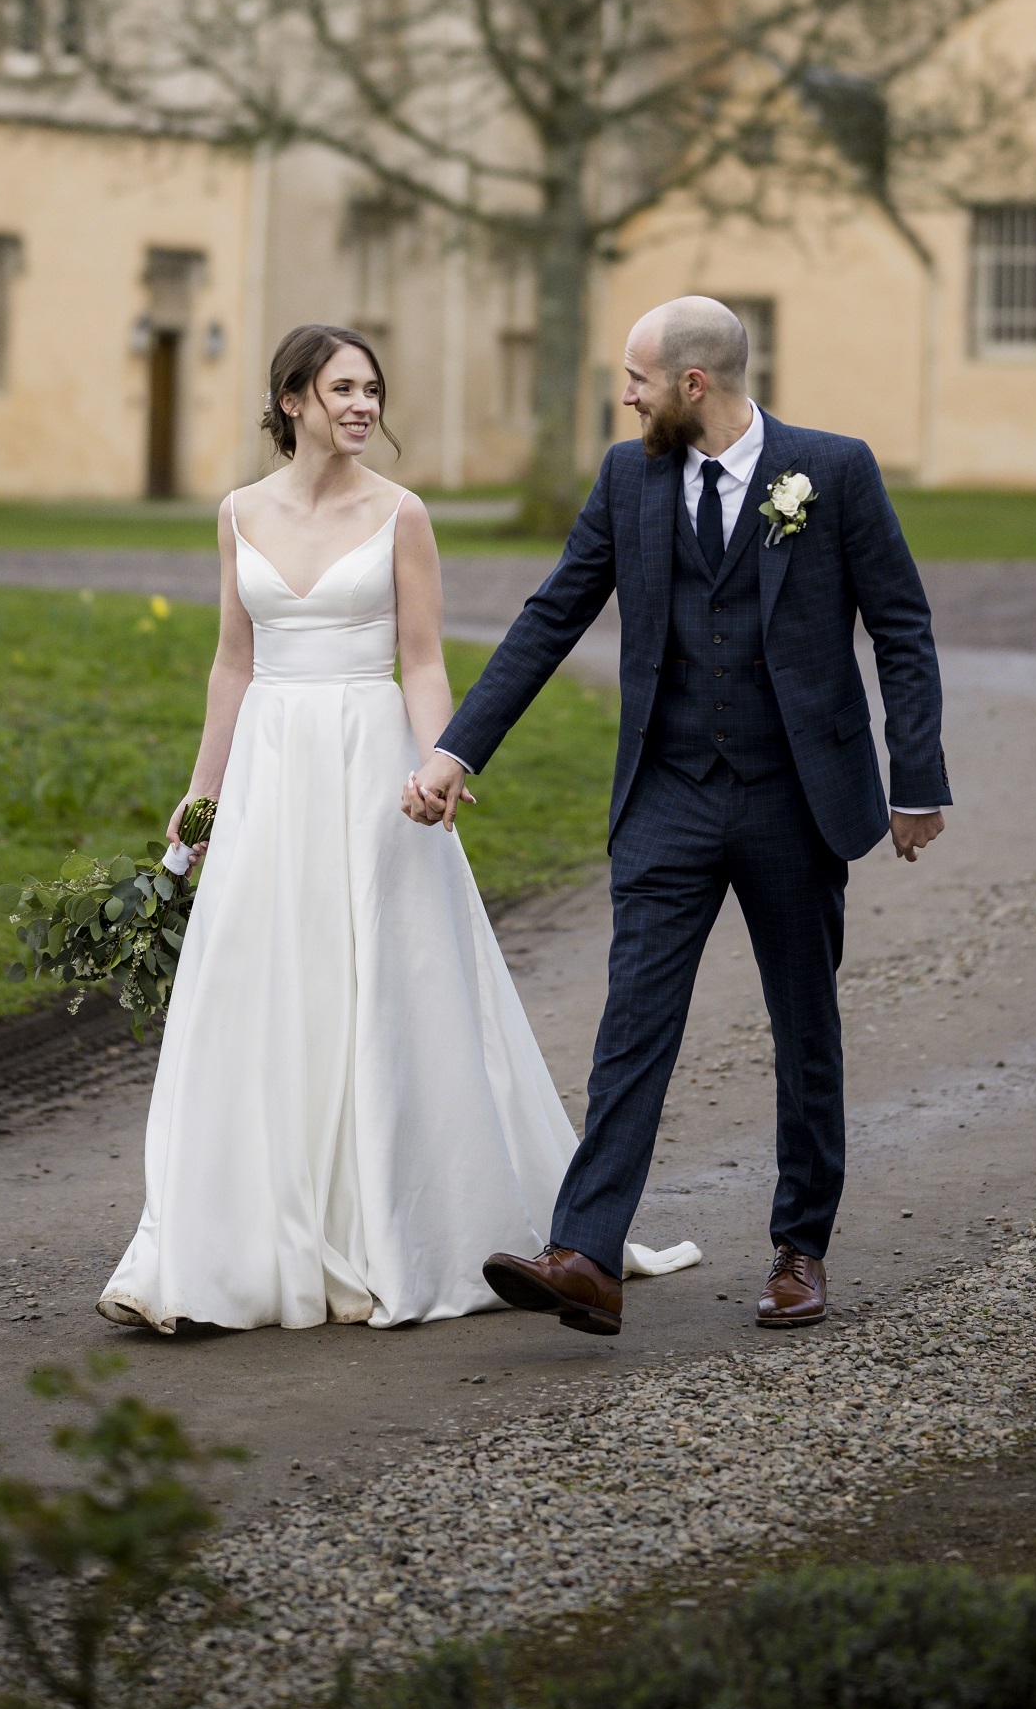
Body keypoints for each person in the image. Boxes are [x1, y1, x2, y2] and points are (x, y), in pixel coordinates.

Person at [98, 323, 691, 1334]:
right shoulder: (238, 514)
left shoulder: (401, 514)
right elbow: (233, 663)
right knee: (260, 984)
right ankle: (230, 1249)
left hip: (371, 764)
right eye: (341, 389)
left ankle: (397, 1227)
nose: (362, 405)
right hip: (272, 771)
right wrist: (202, 799)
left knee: (384, 979)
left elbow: (420, 659)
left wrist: (438, 762)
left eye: (371, 389)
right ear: (291, 401)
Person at [405, 295, 947, 1337]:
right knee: (632, 1023)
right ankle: (585, 1255)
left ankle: (799, 1249)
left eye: (636, 380)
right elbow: (551, 616)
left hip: (796, 798)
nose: (624, 397)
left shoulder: (832, 471)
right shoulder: (628, 478)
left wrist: (913, 780)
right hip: (668, 794)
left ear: (692, 384)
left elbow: (901, 626)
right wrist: (455, 748)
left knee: (804, 1028)